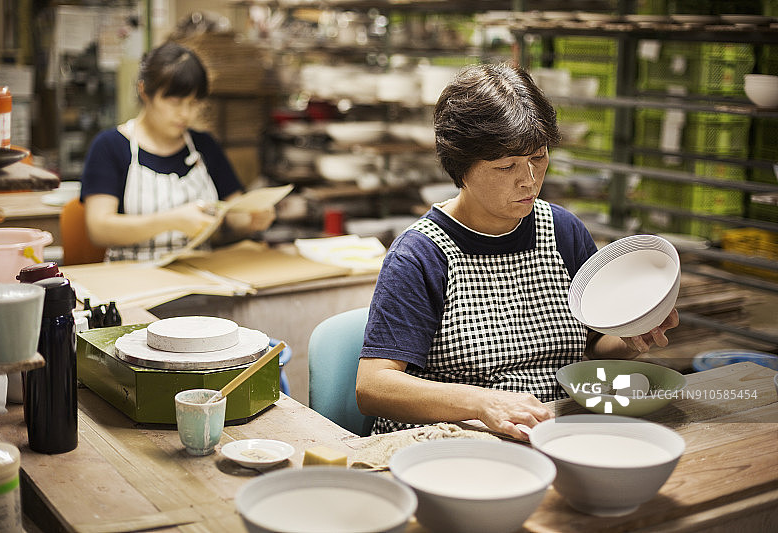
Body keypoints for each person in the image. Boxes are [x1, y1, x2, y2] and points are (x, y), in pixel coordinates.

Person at [355, 63, 679, 440]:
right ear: (461, 168)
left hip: (551, 428)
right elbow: (373, 387)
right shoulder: (421, 255)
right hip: (453, 439)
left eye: (538, 158)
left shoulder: (562, 231)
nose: (529, 179)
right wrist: (483, 402)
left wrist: (631, 338)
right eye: (506, 165)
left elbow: (593, 345)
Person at [80, 41, 275, 261]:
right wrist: (172, 221)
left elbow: (232, 216)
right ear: (144, 91)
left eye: (193, 103)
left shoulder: (204, 145)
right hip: (131, 275)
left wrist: (252, 219)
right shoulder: (110, 146)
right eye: (175, 102)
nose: (185, 114)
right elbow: (98, 228)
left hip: (200, 272)